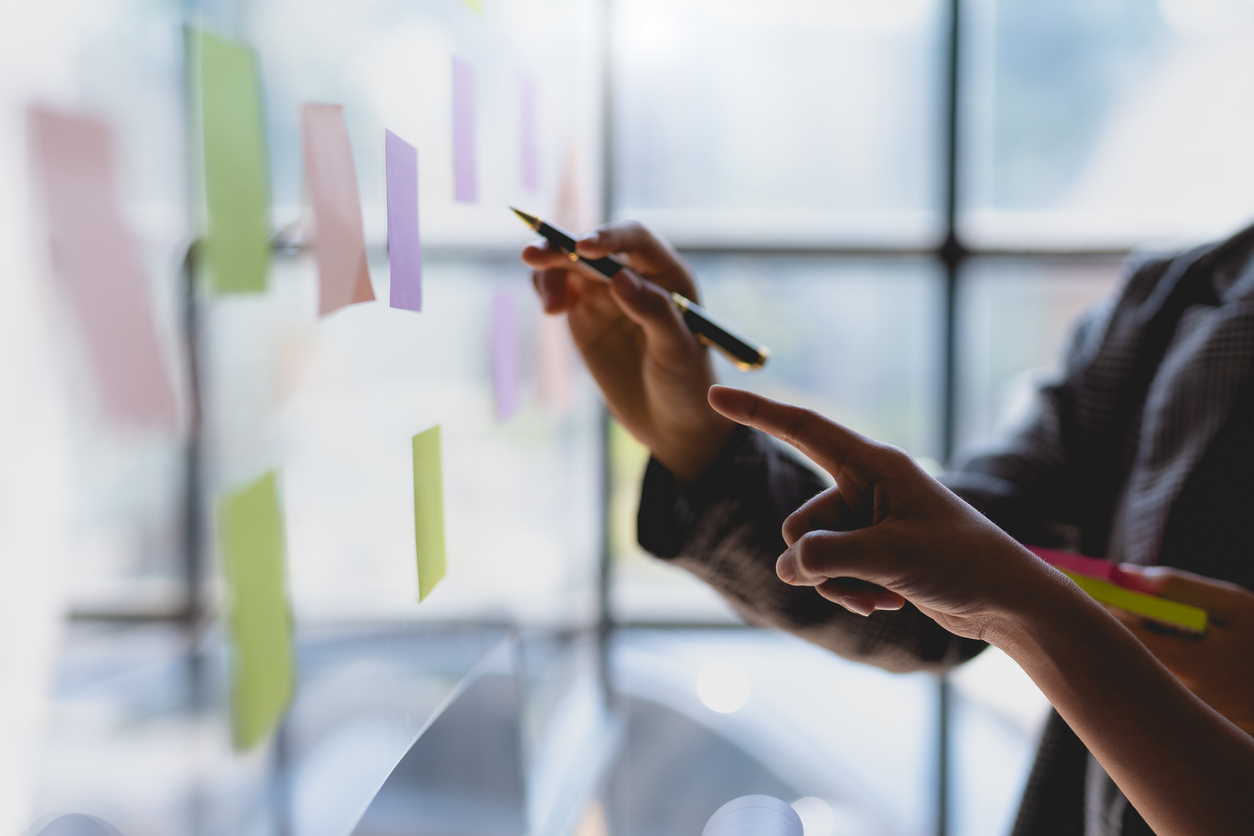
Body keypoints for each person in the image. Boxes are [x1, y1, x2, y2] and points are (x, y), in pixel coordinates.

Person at [521, 220, 1254, 835]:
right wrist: (700, 445)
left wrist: (1024, 604)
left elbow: (982, 578)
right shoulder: (1177, 307)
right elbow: (944, 588)